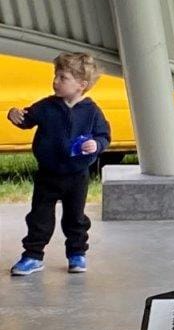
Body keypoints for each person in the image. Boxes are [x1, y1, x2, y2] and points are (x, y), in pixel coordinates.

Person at [8, 52, 110, 276]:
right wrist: (14, 114)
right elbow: (26, 119)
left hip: (77, 175)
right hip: (48, 175)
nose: (55, 81)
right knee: (39, 217)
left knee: (75, 217)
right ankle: (33, 256)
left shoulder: (92, 111)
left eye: (63, 78)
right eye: (56, 76)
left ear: (81, 85)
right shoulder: (46, 106)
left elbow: (104, 136)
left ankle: (77, 253)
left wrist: (97, 144)